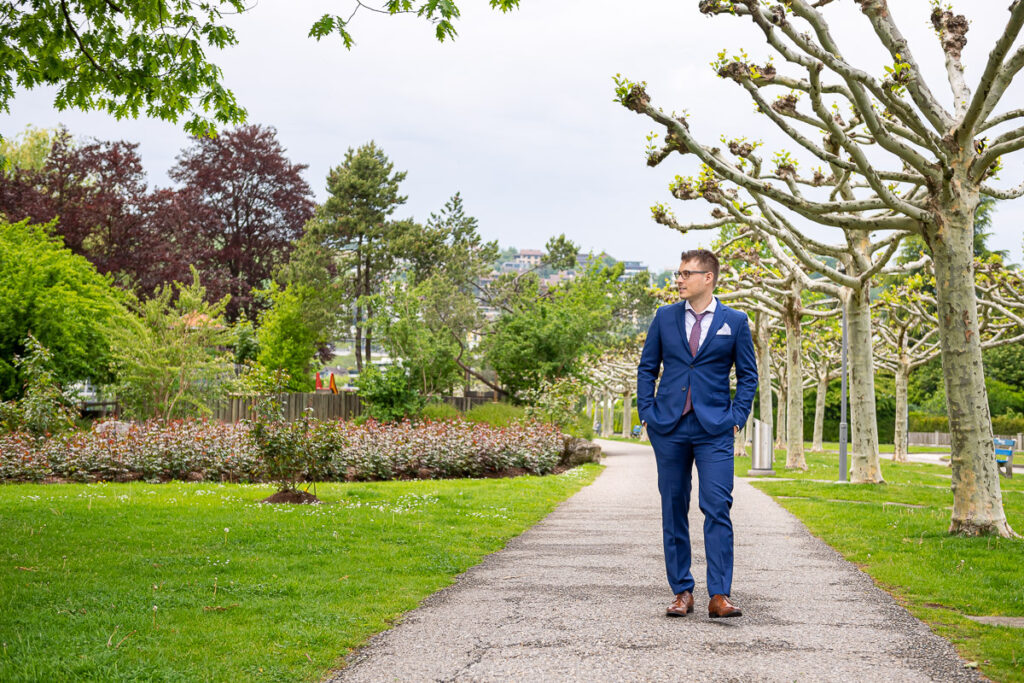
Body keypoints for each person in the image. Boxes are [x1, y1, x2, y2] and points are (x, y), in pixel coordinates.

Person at [637, 248, 758, 618]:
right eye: (678, 273)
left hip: (715, 429)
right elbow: (647, 368)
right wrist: (647, 414)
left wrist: (736, 417)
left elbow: (748, 376)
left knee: (717, 506)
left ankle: (719, 595)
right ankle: (682, 592)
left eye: (687, 273)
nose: (679, 279)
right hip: (669, 427)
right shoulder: (664, 317)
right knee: (673, 509)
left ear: (709, 278)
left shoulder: (734, 321)